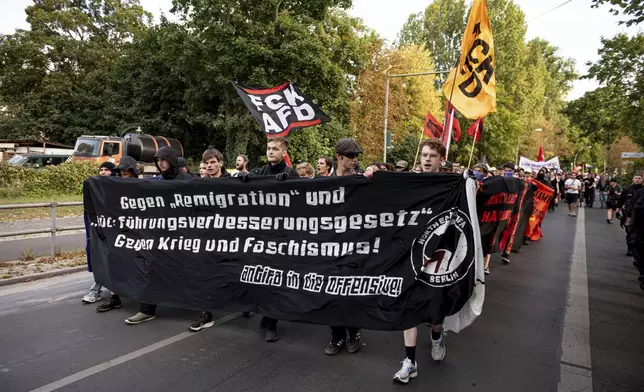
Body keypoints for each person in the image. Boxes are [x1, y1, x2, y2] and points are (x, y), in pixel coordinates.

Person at [393, 138, 447, 384]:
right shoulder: (410, 181)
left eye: (432, 156)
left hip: (438, 257)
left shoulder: (450, 184)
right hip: (411, 254)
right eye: (424, 155)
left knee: (435, 309)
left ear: (441, 160)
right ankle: (410, 362)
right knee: (409, 305)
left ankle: (437, 335)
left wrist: (471, 187)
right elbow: (386, 191)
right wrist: (372, 174)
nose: (426, 159)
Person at [125, 146, 192, 325]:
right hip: (160, 237)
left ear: (171, 160)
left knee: (191, 271)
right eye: (158, 160)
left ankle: (203, 308)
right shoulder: (156, 181)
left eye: (163, 159)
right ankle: (147, 309)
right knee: (152, 270)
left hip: (183, 237)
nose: (160, 163)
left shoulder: (188, 180)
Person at [249, 137, 299, 342]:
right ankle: (267, 316)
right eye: (269, 148)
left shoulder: (291, 174)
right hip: (262, 235)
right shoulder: (260, 172)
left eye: (275, 149)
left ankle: (272, 322)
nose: (270, 152)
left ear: (283, 152)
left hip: (281, 237)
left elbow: (300, 203)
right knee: (262, 278)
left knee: (275, 280)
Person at [324, 138, 364, 356]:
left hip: (354, 245)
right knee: (331, 292)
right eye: (351, 156)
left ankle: (354, 333)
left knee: (352, 291)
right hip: (330, 247)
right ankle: (336, 335)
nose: (355, 160)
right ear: (338, 157)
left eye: (357, 156)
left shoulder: (362, 180)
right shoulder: (323, 182)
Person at [96, 156, 141, 313]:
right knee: (114, 262)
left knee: (140, 266)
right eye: (120, 171)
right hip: (121, 231)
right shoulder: (115, 186)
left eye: (125, 170)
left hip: (140, 233)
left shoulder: (144, 186)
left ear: (133, 171)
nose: (122, 173)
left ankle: (146, 301)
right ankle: (115, 298)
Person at [81, 162, 116, 304]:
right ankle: (96, 290)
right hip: (99, 229)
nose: (102, 172)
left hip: (114, 229)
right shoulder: (93, 185)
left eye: (106, 170)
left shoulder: (117, 186)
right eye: (101, 170)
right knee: (100, 258)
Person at [617, 174, 642, 256]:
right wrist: (618, 210)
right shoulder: (627, 189)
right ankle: (630, 248)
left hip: (641, 214)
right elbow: (621, 200)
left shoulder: (642, 190)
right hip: (629, 214)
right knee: (630, 231)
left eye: (639, 178)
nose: (637, 180)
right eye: (636, 178)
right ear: (633, 179)